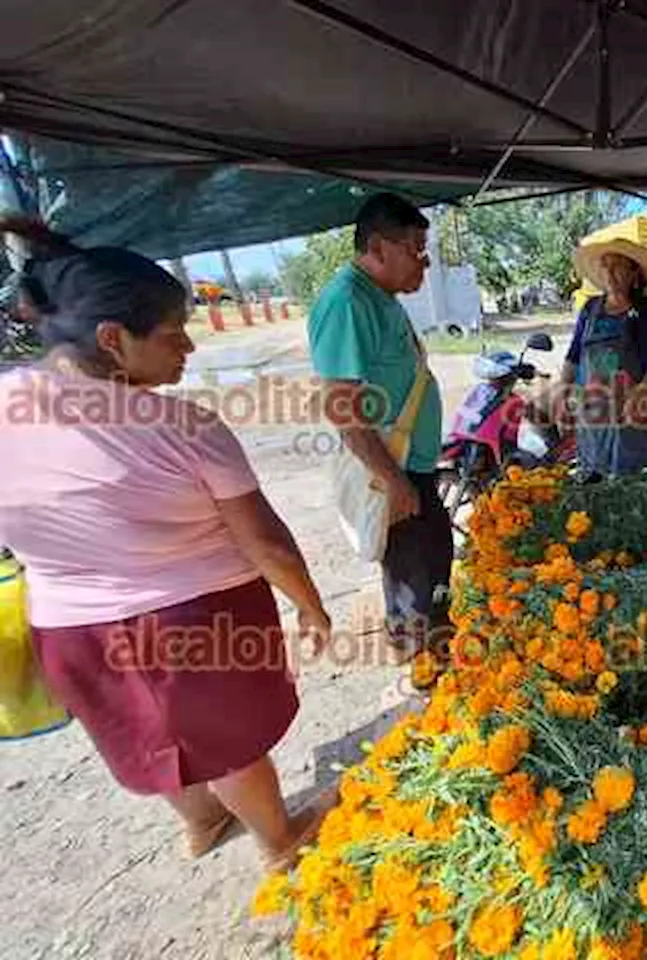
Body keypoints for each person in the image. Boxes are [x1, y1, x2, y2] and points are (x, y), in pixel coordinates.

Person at [0, 217, 331, 873]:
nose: (190, 346)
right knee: (226, 745)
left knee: (149, 735)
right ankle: (279, 838)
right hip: (191, 619)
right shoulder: (182, 426)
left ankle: (204, 821)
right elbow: (266, 543)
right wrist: (310, 606)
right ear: (112, 339)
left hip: (70, 630)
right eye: (173, 332)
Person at [307, 194, 451, 665]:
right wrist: (393, 480)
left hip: (414, 466)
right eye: (415, 248)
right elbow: (343, 408)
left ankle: (440, 661)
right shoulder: (348, 301)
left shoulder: (381, 298)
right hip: (398, 472)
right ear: (377, 247)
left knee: (434, 567)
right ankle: (425, 678)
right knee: (412, 581)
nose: (423, 261)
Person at [561, 239, 647, 478]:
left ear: (634, 273)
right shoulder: (591, 308)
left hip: (632, 410)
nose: (609, 272)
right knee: (592, 473)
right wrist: (563, 393)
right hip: (591, 410)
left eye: (618, 266)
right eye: (605, 266)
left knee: (630, 479)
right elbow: (573, 356)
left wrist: (641, 392)